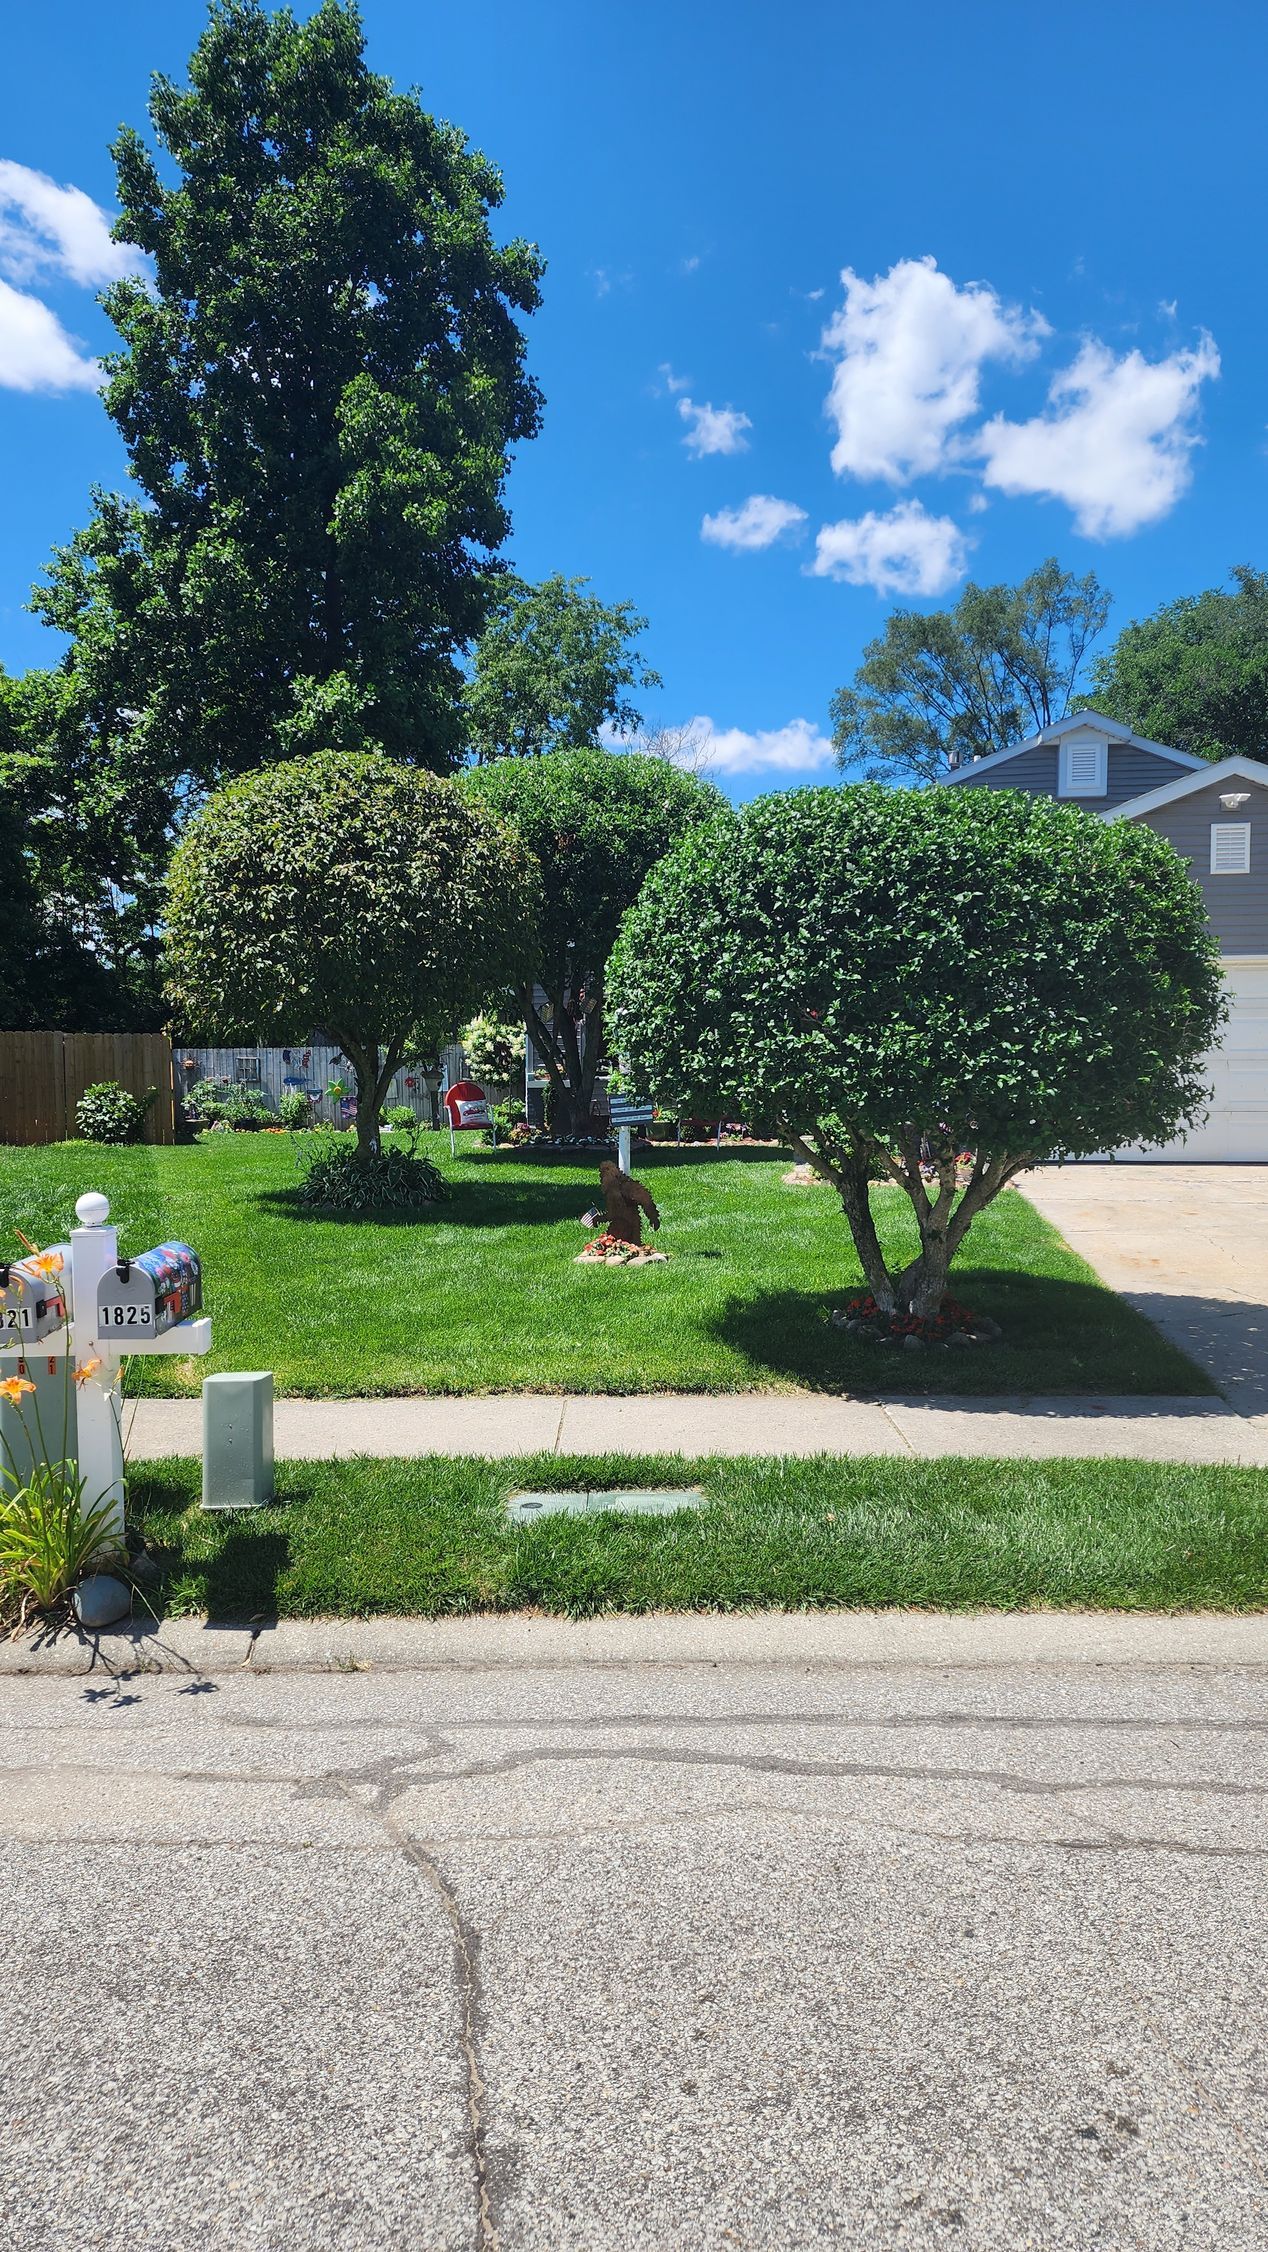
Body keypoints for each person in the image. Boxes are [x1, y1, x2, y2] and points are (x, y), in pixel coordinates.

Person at [597, 1159, 660, 1247]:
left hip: (631, 1225)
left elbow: (645, 1200)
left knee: (632, 1244)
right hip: (616, 1224)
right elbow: (612, 1214)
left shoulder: (627, 1186)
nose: (602, 1179)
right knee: (611, 1243)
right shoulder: (611, 1192)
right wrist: (599, 1219)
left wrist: (653, 1217)